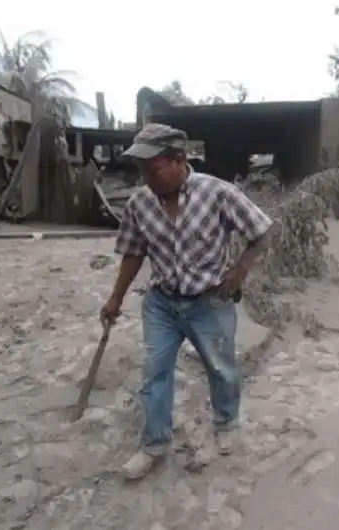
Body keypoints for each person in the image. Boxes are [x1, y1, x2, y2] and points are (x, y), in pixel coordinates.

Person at [100, 123, 273, 480]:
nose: (145, 176)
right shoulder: (139, 204)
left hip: (209, 303)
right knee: (154, 372)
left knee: (222, 370)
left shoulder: (218, 194)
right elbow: (133, 253)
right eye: (140, 169)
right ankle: (154, 444)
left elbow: (261, 231)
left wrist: (239, 271)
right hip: (162, 303)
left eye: (153, 167)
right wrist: (115, 298)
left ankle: (225, 424)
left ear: (179, 160)